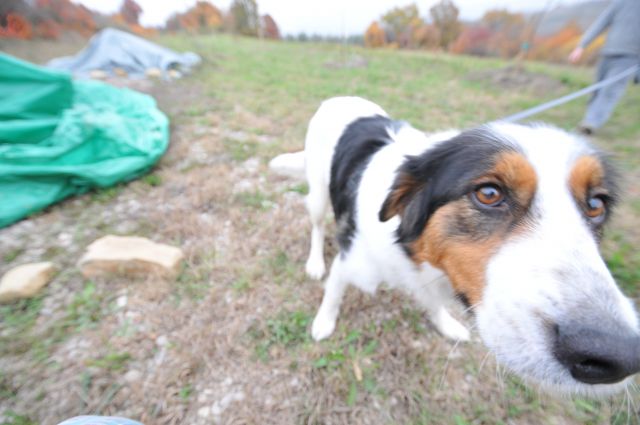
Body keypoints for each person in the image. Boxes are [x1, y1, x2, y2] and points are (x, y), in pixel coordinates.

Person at [568, 0, 640, 134]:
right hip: (608, 52)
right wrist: (581, 46)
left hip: (630, 57)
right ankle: (590, 119)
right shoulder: (621, 3)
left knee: (610, 91)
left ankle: (590, 123)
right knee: (598, 89)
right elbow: (601, 23)